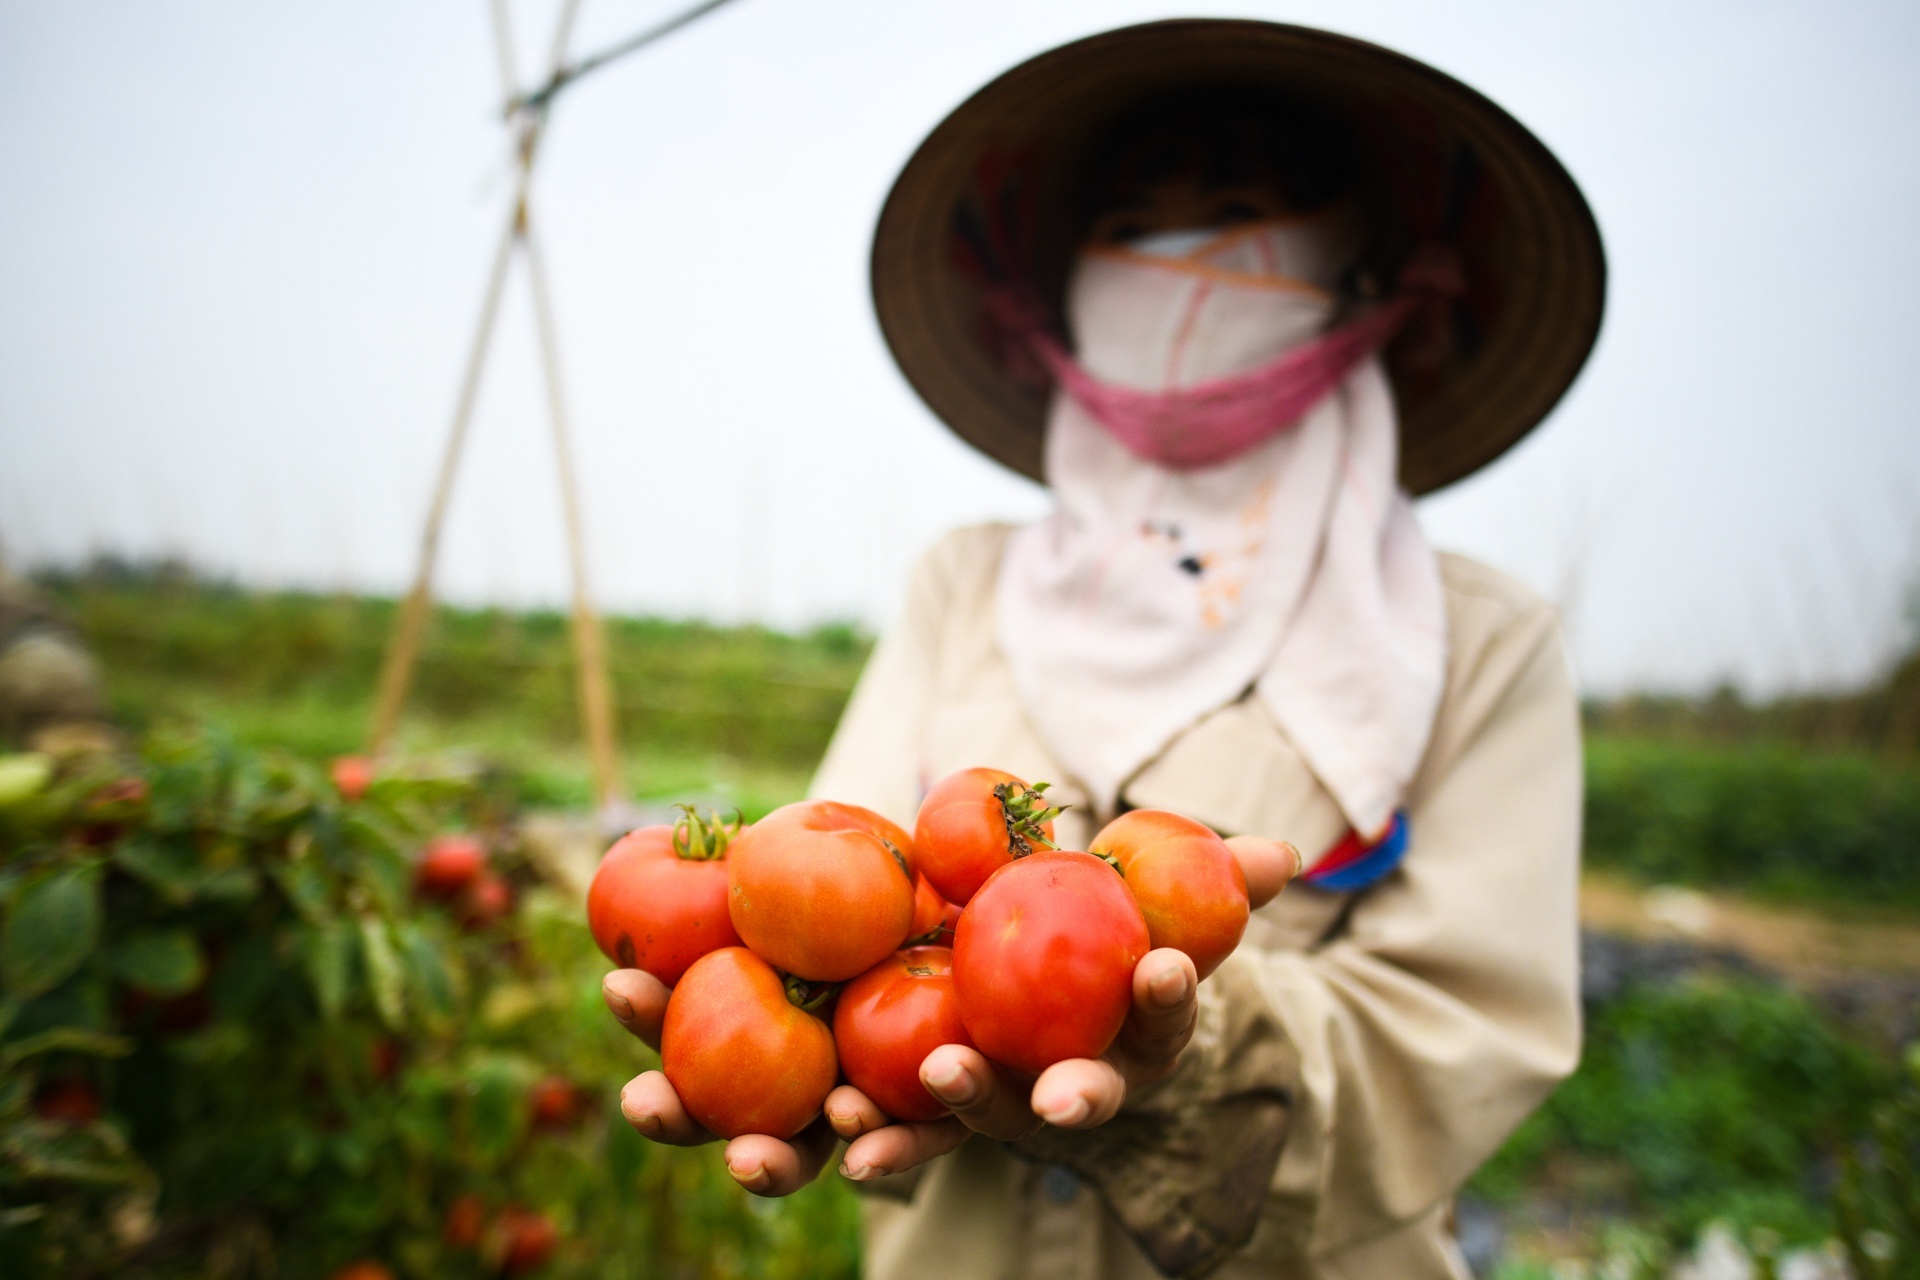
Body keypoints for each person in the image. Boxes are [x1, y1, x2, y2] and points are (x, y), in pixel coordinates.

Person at [602, 19, 1604, 1280]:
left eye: (1237, 211)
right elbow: (832, 902)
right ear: (1065, 287)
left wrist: (1175, 1042)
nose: (1176, 264)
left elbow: (1468, 1030)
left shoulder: (1477, 640)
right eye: (1134, 225)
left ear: (1363, 276)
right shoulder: (965, 586)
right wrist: (794, 1039)